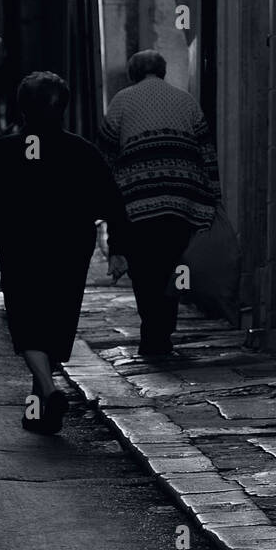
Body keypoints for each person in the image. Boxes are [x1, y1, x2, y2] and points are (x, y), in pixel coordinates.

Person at [0, 72, 127, 435]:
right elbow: (113, 202)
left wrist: (3, 205)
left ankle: (48, 392)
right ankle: (40, 407)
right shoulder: (82, 152)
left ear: (22, 108)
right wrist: (117, 250)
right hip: (70, 249)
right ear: (63, 108)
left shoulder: (5, 151)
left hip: (22, 248)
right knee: (55, 321)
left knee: (28, 322)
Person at [98, 50, 220, 357]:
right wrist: (213, 197)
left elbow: (106, 154)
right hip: (182, 200)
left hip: (139, 201)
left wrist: (106, 199)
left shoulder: (122, 101)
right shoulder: (186, 100)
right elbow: (207, 151)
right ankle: (162, 332)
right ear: (163, 71)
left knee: (144, 269)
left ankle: (152, 332)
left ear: (133, 73)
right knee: (171, 265)